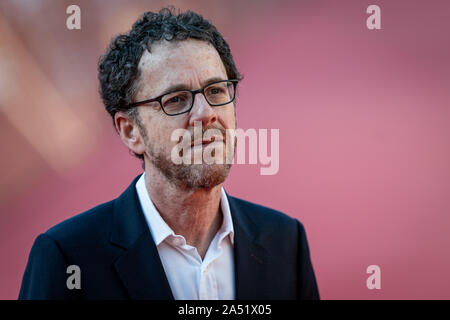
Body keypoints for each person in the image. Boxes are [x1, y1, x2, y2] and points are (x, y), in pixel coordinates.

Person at [19, 8, 319, 300]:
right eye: (175, 100)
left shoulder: (285, 242)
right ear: (130, 131)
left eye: (216, 91)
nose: (205, 114)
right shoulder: (67, 257)